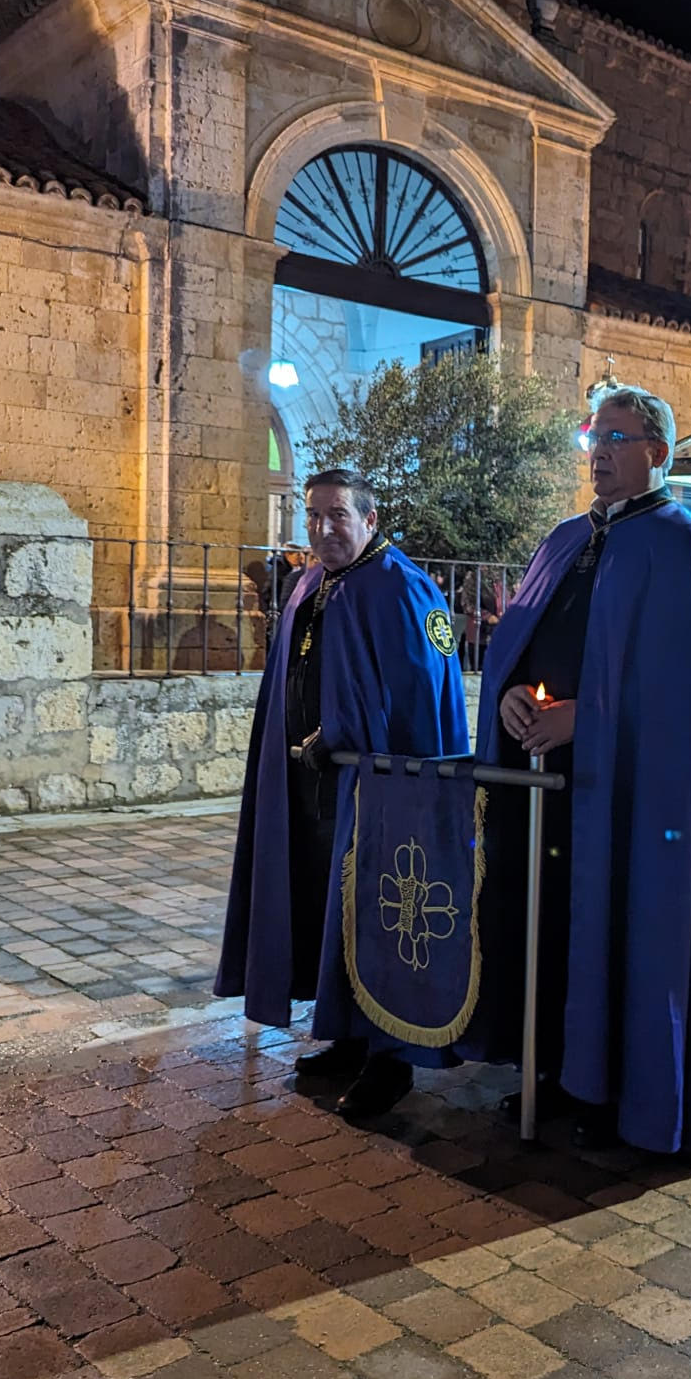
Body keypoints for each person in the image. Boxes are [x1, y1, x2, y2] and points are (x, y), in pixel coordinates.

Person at [459, 384, 691, 1157]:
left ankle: (629, 1089)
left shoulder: (686, 547)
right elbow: (520, 643)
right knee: (553, 922)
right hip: (550, 790)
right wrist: (514, 700)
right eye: (595, 436)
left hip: (634, 798)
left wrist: (582, 721)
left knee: (629, 928)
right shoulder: (564, 538)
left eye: (618, 438)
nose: (599, 451)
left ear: (657, 452)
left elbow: (682, 694)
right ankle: (561, 1070)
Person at [216, 469, 469, 1120]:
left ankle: (390, 1059)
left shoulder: (402, 589)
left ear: (371, 520)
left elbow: (418, 698)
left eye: (338, 516)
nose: (324, 529)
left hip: (376, 793)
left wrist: (349, 735)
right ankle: (346, 1034)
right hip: (312, 786)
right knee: (329, 913)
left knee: (377, 914)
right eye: (314, 516)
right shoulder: (313, 582)